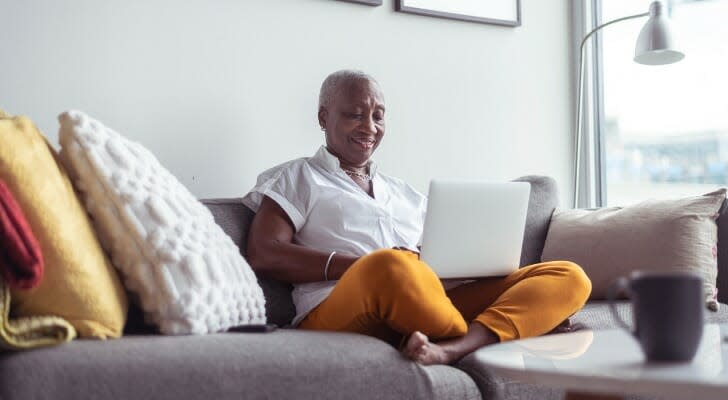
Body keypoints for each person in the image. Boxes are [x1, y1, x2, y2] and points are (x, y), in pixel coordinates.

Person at [243, 69, 591, 365]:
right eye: (354, 114)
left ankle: (453, 347)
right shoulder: (297, 177)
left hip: (427, 300)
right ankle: (510, 328)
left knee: (569, 275)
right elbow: (265, 251)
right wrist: (362, 265)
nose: (369, 127)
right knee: (391, 267)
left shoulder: (405, 193)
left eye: (378, 116)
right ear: (323, 117)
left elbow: (437, 260)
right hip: (340, 308)